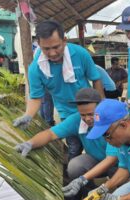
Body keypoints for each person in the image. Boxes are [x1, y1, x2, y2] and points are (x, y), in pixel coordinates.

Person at [13, 20, 105, 161]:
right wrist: (28, 115)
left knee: (99, 143)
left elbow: (96, 78)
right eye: (46, 49)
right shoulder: (36, 68)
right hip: (67, 113)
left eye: (56, 47)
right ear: (39, 45)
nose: (52, 53)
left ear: (64, 40)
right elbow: (36, 97)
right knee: (74, 147)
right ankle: (81, 177)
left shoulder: (80, 54)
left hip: (89, 108)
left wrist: (102, 106)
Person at [15, 88, 118, 197]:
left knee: (120, 184)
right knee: (74, 166)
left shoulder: (111, 122)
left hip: (118, 163)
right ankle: (88, 194)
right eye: (83, 115)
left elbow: (111, 159)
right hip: (96, 159)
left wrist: (83, 179)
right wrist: (30, 143)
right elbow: (50, 134)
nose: (87, 119)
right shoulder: (76, 120)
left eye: (91, 114)